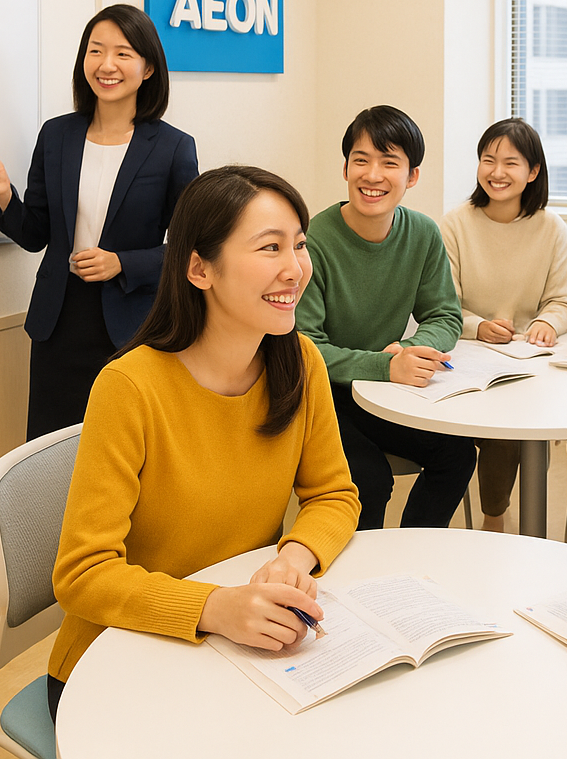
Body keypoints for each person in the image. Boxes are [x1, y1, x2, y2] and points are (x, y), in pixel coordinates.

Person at [46, 165, 361, 722]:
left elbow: (334, 495)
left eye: (300, 246)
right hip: (117, 660)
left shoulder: (300, 363)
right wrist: (215, 607)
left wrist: (295, 557)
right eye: (270, 248)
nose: (296, 270)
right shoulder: (130, 387)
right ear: (198, 268)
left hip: (239, 644)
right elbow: (83, 574)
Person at [0, 4, 198, 440]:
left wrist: (123, 263)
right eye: (95, 51)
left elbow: (192, 249)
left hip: (133, 327)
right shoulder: (56, 135)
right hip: (58, 324)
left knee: (120, 450)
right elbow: (36, 234)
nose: (106, 65)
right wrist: (5, 196)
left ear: (148, 67)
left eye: (123, 53)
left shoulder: (173, 148)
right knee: (47, 452)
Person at [295, 105, 472, 531]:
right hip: (323, 397)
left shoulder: (424, 233)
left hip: (382, 392)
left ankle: (409, 559)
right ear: (345, 169)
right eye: (361, 160)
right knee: (368, 481)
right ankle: (354, 584)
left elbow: (445, 313)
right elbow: (304, 345)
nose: (372, 175)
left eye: (389, 162)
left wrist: (409, 349)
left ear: (412, 175)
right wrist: (384, 365)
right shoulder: (312, 241)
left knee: (458, 454)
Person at [441, 117, 567, 533]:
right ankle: (495, 516)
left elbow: (563, 301)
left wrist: (547, 323)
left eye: (511, 163)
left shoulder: (551, 228)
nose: (497, 172)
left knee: (515, 413)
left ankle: (494, 515)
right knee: (495, 417)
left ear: (533, 171)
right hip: (466, 356)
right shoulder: (455, 224)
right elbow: (443, 305)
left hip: (528, 360)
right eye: (488, 160)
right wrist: (479, 326)